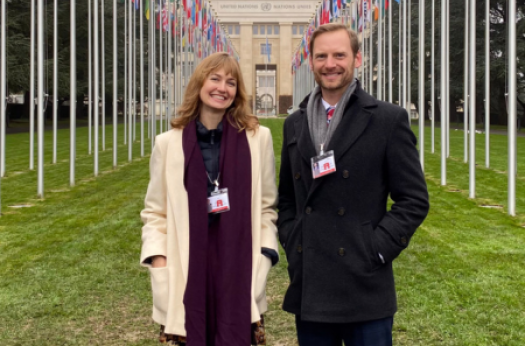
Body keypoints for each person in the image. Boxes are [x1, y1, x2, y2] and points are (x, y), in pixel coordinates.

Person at [278, 23, 429, 346]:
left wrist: (375, 249)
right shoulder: (294, 123)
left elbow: (413, 199)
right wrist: (294, 240)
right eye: (321, 56)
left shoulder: (387, 119)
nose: (330, 64)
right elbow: (287, 198)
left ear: (356, 59)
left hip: (364, 284)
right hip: (312, 283)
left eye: (339, 55)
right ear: (311, 61)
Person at [141, 52, 279, 346]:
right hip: (187, 261)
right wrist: (158, 258)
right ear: (199, 83)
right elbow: (155, 212)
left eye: (231, 82)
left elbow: (267, 205)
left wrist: (265, 255)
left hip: (238, 261)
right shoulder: (168, 144)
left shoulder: (258, 138)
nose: (222, 88)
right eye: (214, 78)